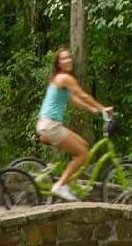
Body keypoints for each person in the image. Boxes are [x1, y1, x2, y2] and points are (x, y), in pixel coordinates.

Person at [36, 48, 113, 202]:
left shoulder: (60, 79)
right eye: (63, 59)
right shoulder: (64, 78)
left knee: (83, 144)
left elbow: (74, 100)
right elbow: (82, 94)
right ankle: (60, 185)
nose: (68, 60)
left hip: (47, 124)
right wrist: (103, 108)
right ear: (58, 64)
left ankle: (70, 182)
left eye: (69, 57)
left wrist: (93, 109)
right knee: (82, 153)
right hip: (51, 125)